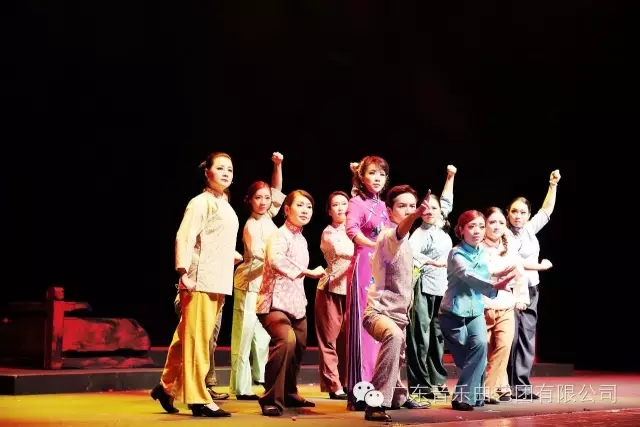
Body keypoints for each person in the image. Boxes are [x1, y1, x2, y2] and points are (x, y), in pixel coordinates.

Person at [150, 152, 238, 417]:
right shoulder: (200, 203)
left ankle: (166, 386)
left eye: (230, 169)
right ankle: (198, 398)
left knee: (187, 336)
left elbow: (215, 240)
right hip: (200, 279)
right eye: (220, 168)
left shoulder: (224, 204)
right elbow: (185, 236)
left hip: (218, 280)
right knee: (198, 339)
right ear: (207, 173)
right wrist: (183, 271)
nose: (226, 173)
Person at [362, 185, 432, 422]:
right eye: (402, 206)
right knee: (393, 337)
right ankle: (375, 402)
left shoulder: (407, 243)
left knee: (397, 353)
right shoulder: (388, 236)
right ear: (389, 211)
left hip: (399, 314)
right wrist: (416, 215)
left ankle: (398, 396)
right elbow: (399, 233)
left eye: (412, 206)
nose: (409, 210)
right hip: (378, 312)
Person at [255, 190, 326, 416]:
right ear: (287, 209)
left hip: (295, 305)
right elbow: (277, 261)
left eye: (309, 207)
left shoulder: (301, 239)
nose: (305, 211)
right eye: (300, 205)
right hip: (273, 303)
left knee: (300, 344)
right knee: (286, 340)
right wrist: (307, 271)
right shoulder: (279, 235)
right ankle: (270, 399)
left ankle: (288, 392)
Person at [439, 210, 515, 411]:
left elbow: (482, 272)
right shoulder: (456, 254)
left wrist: (498, 275)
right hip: (452, 313)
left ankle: (462, 397)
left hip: (475, 311)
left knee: (480, 347)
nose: (477, 231)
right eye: (471, 226)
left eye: (481, 226)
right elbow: (468, 275)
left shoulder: (481, 250)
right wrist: (494, 287)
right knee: (470, 357)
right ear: (461, 230)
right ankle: (476, 394)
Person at [230, 152, 285, 400]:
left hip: (264, 285)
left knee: (262, 336)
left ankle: (260, 377)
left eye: (266, 198)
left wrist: (277, 165)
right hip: (248, 284)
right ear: (249, 201)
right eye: (258, 198)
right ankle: (241, 387)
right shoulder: (251, 226)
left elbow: (277, 190)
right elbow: (258, 254)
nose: (263, 202)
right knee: (243, 335)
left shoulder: (268, 217)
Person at [507, 170, 560, 399]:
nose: (518, 216)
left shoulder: (529, 229)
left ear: (528, 215)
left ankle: (522, 386)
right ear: (508, 213)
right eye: (514, 211)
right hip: (510, 289)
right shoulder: (504, 234)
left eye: (522, 212)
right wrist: (539, 266)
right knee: (510, 337)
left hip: (531, 288)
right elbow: (514, 262)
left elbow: (546, 210)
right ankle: (505, 385)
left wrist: (553, 185)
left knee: (527, 336)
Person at [344, 156, 391, 411]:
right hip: (363, 267)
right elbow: (352, 230)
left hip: (381, 269)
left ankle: (378, 387)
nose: (377, 178)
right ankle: (359, 391)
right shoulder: (356, 203)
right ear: (362, 177)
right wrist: (375, 245)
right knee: (363, 330)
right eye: (372, 173)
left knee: (380, 330)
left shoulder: (383, 206)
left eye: (382, 174)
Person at [406, 165, 456, 399]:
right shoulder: (419, 233)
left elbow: (447, 200)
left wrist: (450, 177)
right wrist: (431, 261)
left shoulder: (440, 225)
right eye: (424, 207)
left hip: (441, 288)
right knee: (420, 336)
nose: (429, 211)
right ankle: (420, 384)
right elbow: (411, 253)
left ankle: (437, 380)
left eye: (433, 208)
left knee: (437, 337)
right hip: (422, 287)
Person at [315, 191, 353, 400]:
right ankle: (333, 384)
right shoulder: (329, 233)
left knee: (348, 339)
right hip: (331, 289)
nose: (340, 208)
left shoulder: (356, 229)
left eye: (344, 203)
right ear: (329, 211)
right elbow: (345, 250)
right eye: (335, 205)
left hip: (352, 290)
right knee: (329, 339)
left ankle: (347, 382)